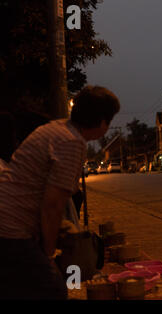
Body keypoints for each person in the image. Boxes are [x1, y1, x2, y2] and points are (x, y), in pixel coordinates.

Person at [0, 85, 120, 299]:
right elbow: (52, 206)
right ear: (102, 122)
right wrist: (48, 252)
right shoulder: (71, 142)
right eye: (109, 121)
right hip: (11, 227)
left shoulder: (57, 128)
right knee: (52, 288)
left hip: (10, 220)